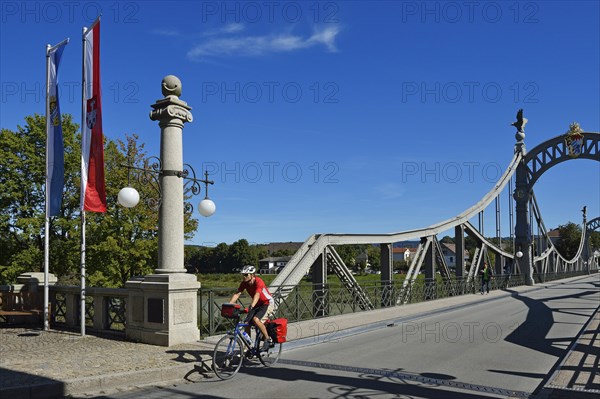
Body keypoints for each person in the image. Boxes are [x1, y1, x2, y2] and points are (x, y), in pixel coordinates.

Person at [228, 265, 275, 350]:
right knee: (246, 323)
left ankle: (268, 339)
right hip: (257, 304)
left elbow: (257, 294)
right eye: (243, 275)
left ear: (252, 275)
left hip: (267, 303)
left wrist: (251, 305)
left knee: (256, 320)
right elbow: (237, 293)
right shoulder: (244, 283)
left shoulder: (258, 281)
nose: (244, 276)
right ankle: (248, 345)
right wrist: (230, 304)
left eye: (246, 275)